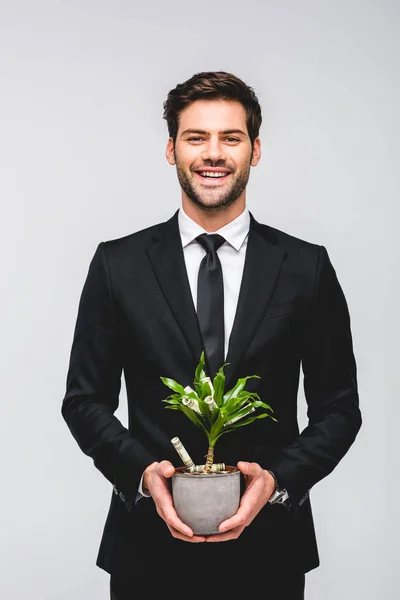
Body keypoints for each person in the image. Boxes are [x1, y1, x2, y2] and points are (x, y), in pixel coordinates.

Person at [61, 71, 362, 599]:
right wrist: (141, 474)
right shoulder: (118, 265)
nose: (213, 154)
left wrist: (278, 482)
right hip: (146, 550)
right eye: (196, 137)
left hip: (270, 550)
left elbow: (339, 408)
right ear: (172, 149)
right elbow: (84, 401)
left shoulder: (305, 268)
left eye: (231, 137)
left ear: (256, 149)